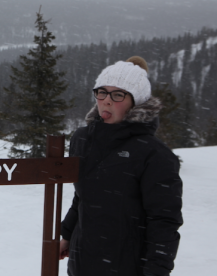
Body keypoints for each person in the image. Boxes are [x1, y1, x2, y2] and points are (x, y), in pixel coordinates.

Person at [59, 56, 183, 276]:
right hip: (82, 262)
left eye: (118, 95)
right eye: (102, 92)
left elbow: (164, 222)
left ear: (136, 103)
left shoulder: (154, 154)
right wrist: (67, 236)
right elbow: (83, 196)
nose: (106, 101)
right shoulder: (82, 139)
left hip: (127, 266)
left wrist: (156, 271)